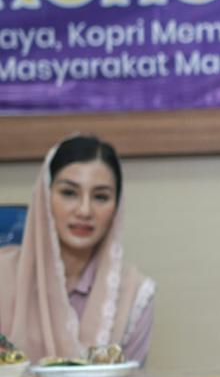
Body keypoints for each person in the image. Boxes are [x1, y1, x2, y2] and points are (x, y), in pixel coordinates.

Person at [0, 136, 155, 364]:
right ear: (45, 197)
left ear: (116, 208)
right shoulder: (3, 275)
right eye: (69, 193)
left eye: (100, 197)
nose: (84, 211)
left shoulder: (135, 294)